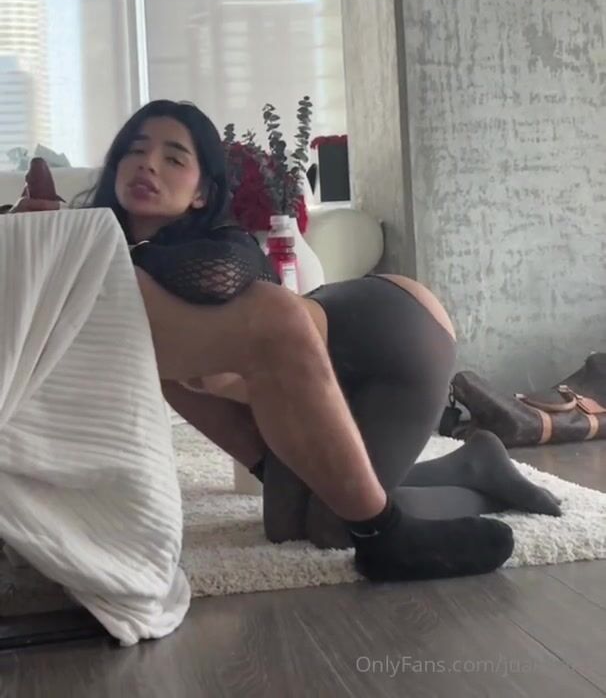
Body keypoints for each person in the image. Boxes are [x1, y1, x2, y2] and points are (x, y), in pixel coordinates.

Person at [13, 100, 560, 581]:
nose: (148, 164)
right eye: (135, 151)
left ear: (202, 193)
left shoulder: (220, 249)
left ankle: (435, 498)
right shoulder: (107, 266)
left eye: (174, 158)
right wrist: (42, 233)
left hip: (393, 338)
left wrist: (102, 249)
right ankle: (472, 467)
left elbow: (229, 281)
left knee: (334, 528)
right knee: (288, 525)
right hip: (318, 369)